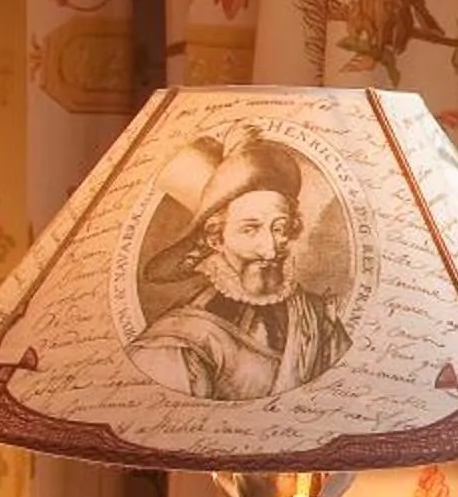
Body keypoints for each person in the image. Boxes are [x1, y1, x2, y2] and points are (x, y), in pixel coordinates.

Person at [127, 131, 353, 400]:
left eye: (279, 228)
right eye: (250, 229)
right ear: (215, 238)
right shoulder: (179, 339)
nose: (270, 249)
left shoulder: (318, 317)